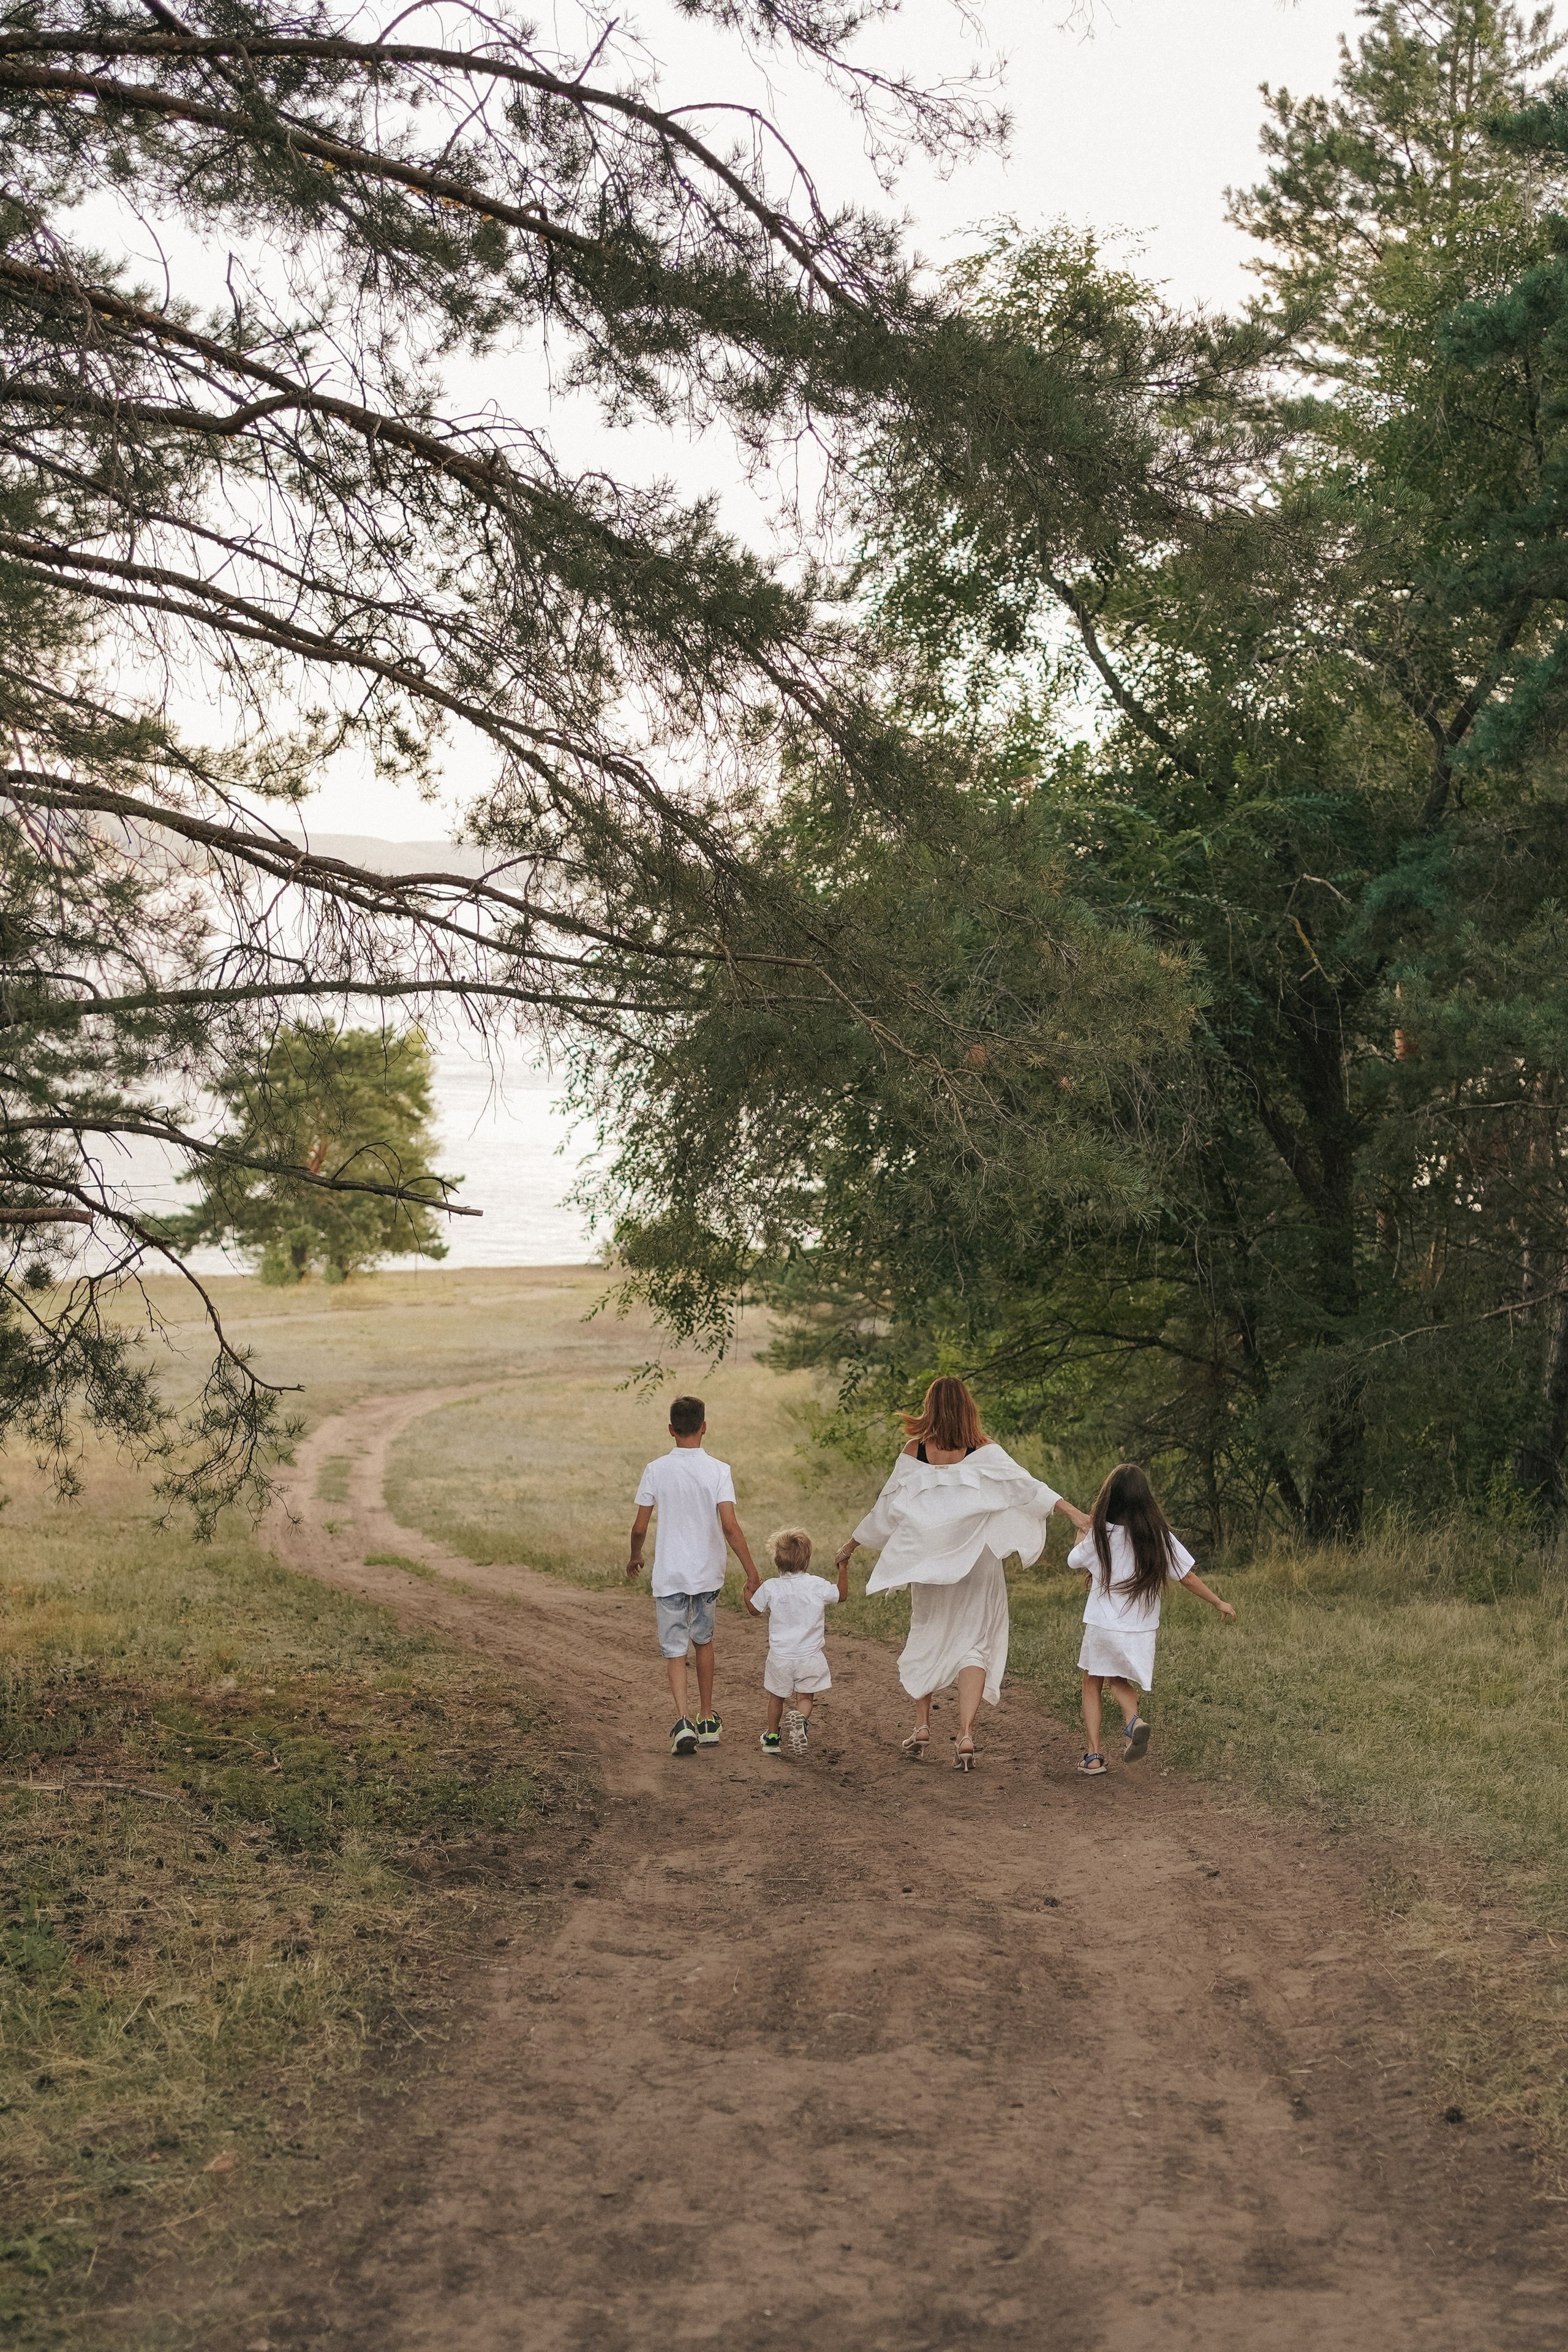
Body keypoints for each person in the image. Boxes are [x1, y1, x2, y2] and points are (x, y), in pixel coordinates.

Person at [835, 1376, 1090, 1771]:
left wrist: (851, 1546)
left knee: (927, 1634)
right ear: (969, 1408)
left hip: (929, 1565)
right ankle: (966, 1735)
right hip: (977, 1566)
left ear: (930, 1408)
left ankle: (922, 1727)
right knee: (974, 1644)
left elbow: (884, 1508)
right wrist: (1075, 1513)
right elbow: (1028, 1488)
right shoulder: (985, 1449)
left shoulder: (914, 1450)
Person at [1068, 1461, 1235, 1776]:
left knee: (1093, 1680)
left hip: (1103, 1625)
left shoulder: (1101, 1535)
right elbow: (1186, 1577)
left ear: (1109, 1498)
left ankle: (1093, 1756)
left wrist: (1082, 1533)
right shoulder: (1158, 1536)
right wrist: (1218, 1602)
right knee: (1119, 1679)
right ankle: (1134, 1721)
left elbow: (1073, 1561)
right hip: (1141, 1629)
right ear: (1145, 1500)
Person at [627, 1395, 760, 1755]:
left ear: (671, 1430)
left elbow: (640, 1527)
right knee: (703, 1641)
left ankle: (682, 1721)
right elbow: (730, 1527)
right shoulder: (719, 1469)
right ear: (704, 1427)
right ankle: (706, 1718)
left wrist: (636, 1556)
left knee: (674, 1649)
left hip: (670, 1575)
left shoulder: (656, 1469)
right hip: (707, 1575)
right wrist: (752, 1572)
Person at [745, 1526, 848, 1758]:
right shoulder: (817, 1585)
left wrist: (747, 1590)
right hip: (810, 1657)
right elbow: (841, 1595)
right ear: (807, 1560)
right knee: (805, 1698)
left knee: (776, 1697)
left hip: (780, 1657)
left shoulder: (771, 1587)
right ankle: (800, 1720)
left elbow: (753, 1609)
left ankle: (772, 1738)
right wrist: (843, 1568)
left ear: (777, 1561)